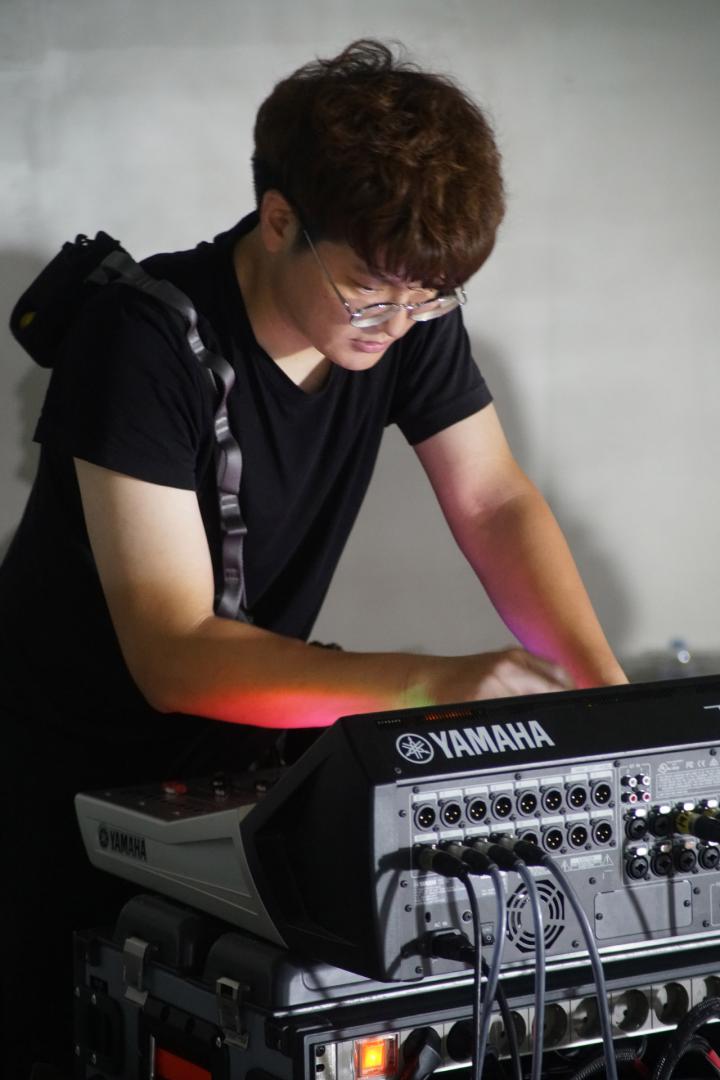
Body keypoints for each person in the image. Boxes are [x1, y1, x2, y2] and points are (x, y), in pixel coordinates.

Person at [0, 39, 626, 1077]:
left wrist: (605, 705)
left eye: (430, 299)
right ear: (280, 218)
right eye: (370, 292)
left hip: (230, 767)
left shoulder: (403, 313)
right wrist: (432, 684)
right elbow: (174, 652)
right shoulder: (142, 342)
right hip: (57, 780)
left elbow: (493, 500)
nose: (399, 323)